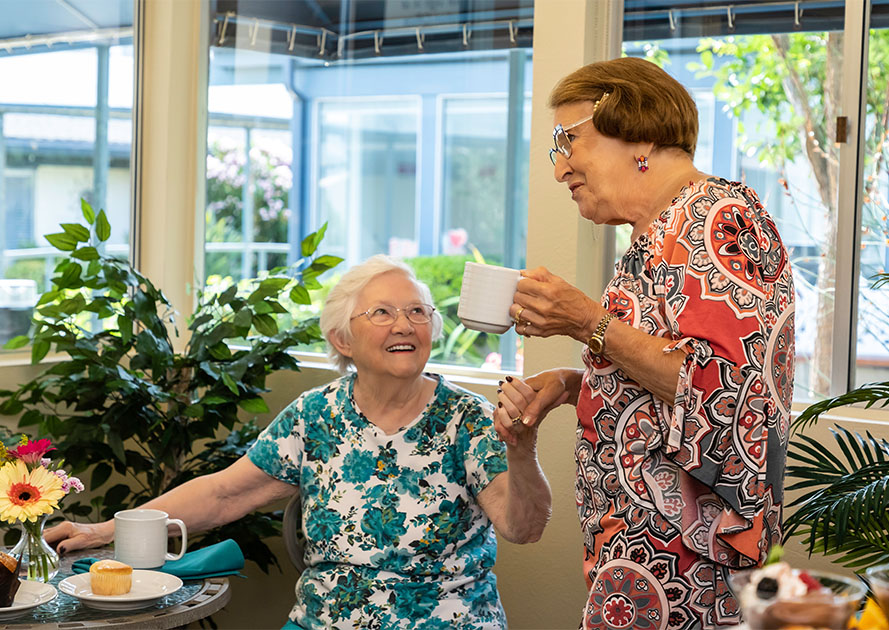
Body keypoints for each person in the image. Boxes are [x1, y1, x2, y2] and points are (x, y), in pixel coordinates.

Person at [46, 254, 552, 630]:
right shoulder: (315, 415)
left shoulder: (469, 418)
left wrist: (521, 449)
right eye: (382, 313)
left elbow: (523, 526)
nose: (405, 324)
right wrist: (101, 532)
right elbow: (224, 493)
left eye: (418, 312)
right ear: (342, 339)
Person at [494, 57, 795, 630]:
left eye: (568, 140)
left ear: (637, 130)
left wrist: (587, 321)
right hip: (644, 558)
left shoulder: (715, 219)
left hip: (691, 566)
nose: (559, 169)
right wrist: (572, 383)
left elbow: (728, 396)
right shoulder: (664, 230)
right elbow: (665, 384)